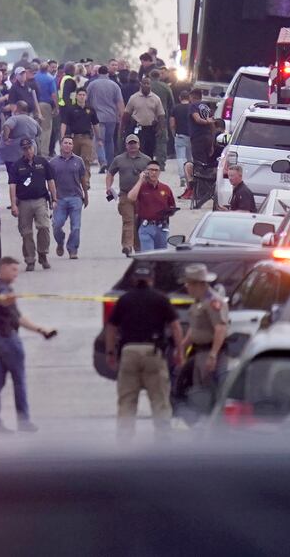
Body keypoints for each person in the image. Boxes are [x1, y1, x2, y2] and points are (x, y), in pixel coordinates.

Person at [104, 262, 183, 440]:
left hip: (129, 352)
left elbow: (111, 327)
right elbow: (176, 327)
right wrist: (180, 352)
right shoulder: (161, 299)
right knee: (160, 401)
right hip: (153, 353)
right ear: (151, 280)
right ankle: (163, 440)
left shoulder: (124, 300)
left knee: (127, 402)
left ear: (134, 280)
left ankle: (125, 442)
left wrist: (111, 353)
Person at [0, 256, 57, 433]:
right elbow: (3, 300)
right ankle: (23, 421)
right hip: (6, 339)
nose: (16, 274)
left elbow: (18, 318)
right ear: (2, 269)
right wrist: (10, 298)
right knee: (19, 381)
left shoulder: (2, 288)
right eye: (13, 269)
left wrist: (40, 329)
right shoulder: (1, 289)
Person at [181, 263, 229, 410]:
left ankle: (213, 421)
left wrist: (213, 355)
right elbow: (195, 328)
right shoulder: (199, 302)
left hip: (210, 352)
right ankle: (201, 419)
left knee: (211, 389)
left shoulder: (213, 301)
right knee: (199, 389)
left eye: (188, 284)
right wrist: (183, 346)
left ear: (198, 284)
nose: (186, 287)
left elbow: (220, 328)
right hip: (199, 352)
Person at [9, 137, 57, 271]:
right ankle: (30, 259)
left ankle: (43, 254)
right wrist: (13, 204)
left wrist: (54, 199)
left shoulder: (42, 162)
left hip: (40, 200)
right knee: (26, 232)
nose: (28, 151)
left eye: (30, 148)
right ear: (22, 150)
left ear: (33, 147)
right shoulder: (16, 166)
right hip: (23, 202)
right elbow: (12, 185)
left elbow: (51, 181)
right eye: (25, 149)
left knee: (44, 227)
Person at [106, 134, 151, 256]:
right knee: (128, 220)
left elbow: (154, 175)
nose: (132, 146)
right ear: (126, 145)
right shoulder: (119, 159)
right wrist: (108, 187)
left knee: (139, 222)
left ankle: (138, 247)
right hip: (125, 195)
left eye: (134, 143)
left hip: (142, 196)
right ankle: (127, 246)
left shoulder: (146, 159)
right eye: (130, 144)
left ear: (139, 144)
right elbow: (110, 173)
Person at [50, 137, 89, 259]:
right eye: (65, 143)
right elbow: (50, 181)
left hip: (75, 198)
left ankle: (73, 249)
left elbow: (83, 179)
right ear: (61, 145)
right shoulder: (53, 162)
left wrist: (85, 195)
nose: (67, 145)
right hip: (59, 199)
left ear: (72, 146)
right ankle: (60, 242)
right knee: (57, 225)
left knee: (76, 227)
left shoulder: (78, 161)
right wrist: (52, 198)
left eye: (70, 143)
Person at [127, 160, 177, 252]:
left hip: (162, 227)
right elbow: (130, 198)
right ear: (146, 172)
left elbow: (172, 206)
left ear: (159, 172)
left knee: (161, 257)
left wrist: (169, 212)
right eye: (151, 170)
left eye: (156, 170)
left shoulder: (165, 188)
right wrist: (140, 180)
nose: (153, 173)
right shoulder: (141, 187)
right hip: (146, 227)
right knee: (149, 255)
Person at [84, 65, 124, 172]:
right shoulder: (114, 85)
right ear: (107, 73)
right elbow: (120, 102)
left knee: (99, 139)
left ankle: (102, 162)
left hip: (97, 117)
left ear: (98, 73)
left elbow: (86, 99)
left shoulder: (92, 85)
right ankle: (110, 162)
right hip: (111, 117)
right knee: (109, 140)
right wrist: (122, 116)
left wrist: (86, 113)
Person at [123, 75, 165, 159]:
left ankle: (148, 168)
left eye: (148, 83)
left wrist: (160, 128)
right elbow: (127, 113)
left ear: (150, 85)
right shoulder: (134, 98)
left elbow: (161, 114)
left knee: (150, 150)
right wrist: (123, 128)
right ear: (140, 84)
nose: (146, 85)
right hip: (137, 128)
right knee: (138, 149)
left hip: (150, 128)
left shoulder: (156, 98)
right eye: (144, 83)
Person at [60, 87, 99, 169]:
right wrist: (62, 137)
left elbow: (95, 124)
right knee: (73, 160)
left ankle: (86, 181)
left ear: (86, 96)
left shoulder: (90, 109)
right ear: (76, 96)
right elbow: (64, 123)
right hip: (74, 138)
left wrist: (98, 137)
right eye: (80, 95)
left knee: (86, 160)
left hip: (86, 137)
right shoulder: (71, 109)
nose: (82, 96)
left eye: (83, 95)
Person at [0, 101, 42, 175]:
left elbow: (7, 125)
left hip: (14, 154)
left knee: (14, 175)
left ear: (17, 108)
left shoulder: (15, 119)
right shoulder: (33, 121)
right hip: (31, 152)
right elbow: (39, 132)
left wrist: (5, 138)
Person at [148, 69, 174, 169]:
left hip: (148, 116)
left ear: (150, 76)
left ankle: (147, 161)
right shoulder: (165, 87)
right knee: (161, 140)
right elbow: (171, 102)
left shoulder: (147, 86)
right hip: (162, 117)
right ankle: (161, 163)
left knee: (147, 139)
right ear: (159, 76)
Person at [170, 89, 194, 192]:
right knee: (190, 158)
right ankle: (191, 177)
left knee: (180, 157)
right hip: (191, 136)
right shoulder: (192, 108)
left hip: (180, 135)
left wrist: (173, 133)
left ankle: (183, 178)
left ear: (180, 98)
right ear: (189, 98)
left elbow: (172, 124)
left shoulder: (175, 108)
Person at [34, 62, 58, 156]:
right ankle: (44, 152)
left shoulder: (35, 77)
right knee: (46, 130)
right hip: (46, 105)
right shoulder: (50, 79)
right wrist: (56, 107)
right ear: (47, 68)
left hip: (35, 104)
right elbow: (53, 94)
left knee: (36, 129)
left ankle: (36, 150)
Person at [188, 88, 216, 167]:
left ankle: (199, 178)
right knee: (206, 161)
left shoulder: (193, 105)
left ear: (192, 97)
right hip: (208, 137)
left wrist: (206, 121)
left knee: (198, 163)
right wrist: (212, 143)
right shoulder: (206, 107)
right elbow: (212, 125)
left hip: (198, 138)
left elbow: (197, 119)